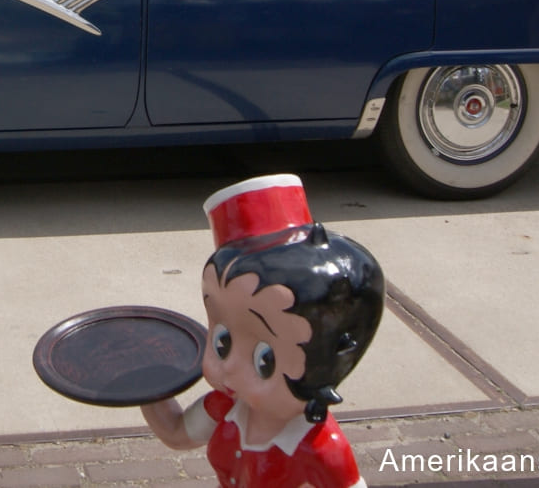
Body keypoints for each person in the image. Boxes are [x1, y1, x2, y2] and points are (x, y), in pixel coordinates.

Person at [140, 175, 382, 488]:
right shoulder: (225, 406)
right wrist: (145, 387)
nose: (227, 367)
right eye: (223, 342)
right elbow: (176, 432)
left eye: (264, 359)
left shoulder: (319, 445)